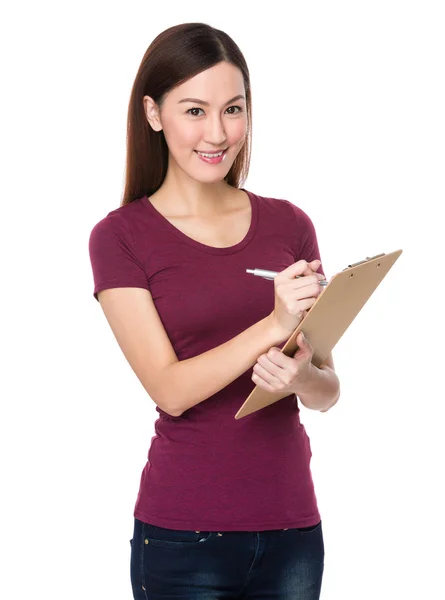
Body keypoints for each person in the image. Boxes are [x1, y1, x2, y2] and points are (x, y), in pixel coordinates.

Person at [88, 21, 340, 600]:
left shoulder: (290, 224)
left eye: (233, 108)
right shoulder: (121, 237)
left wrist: (302, 377)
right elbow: (170, 391)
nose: (219, 132)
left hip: (293, 528)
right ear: (153, 114)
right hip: (184, 536)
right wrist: (273, 326)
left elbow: (328, 391)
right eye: (194, 110)